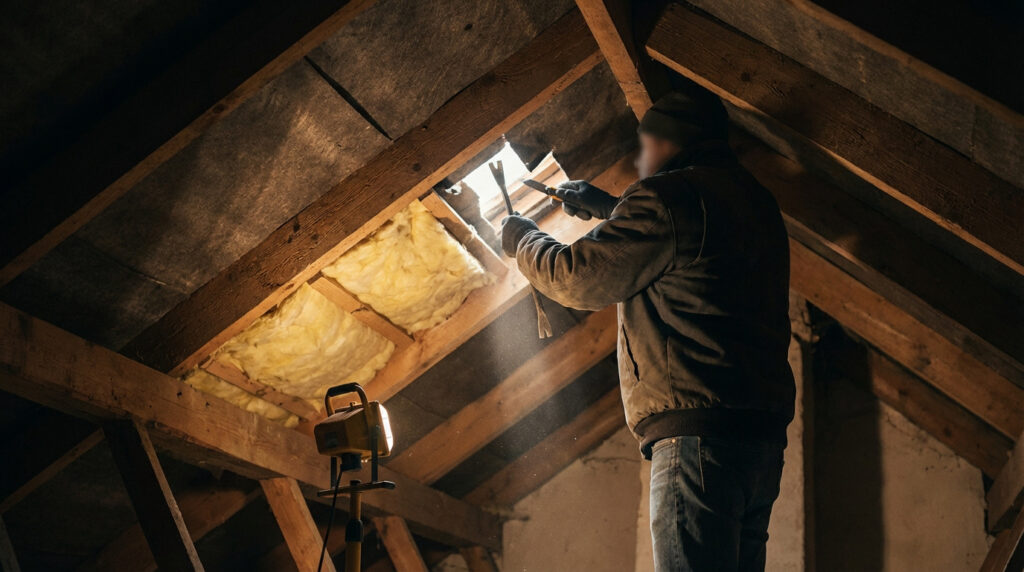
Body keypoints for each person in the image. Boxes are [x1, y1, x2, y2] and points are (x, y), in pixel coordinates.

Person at [500, 89, 795, 572]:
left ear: (669, 142)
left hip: (697, 437)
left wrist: (523, 239)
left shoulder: (668, 196)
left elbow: (578, 277)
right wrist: (610, 207)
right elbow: (694, 250)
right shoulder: (755, 201)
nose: (640, 158)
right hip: (759, 440)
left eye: (644, 144)